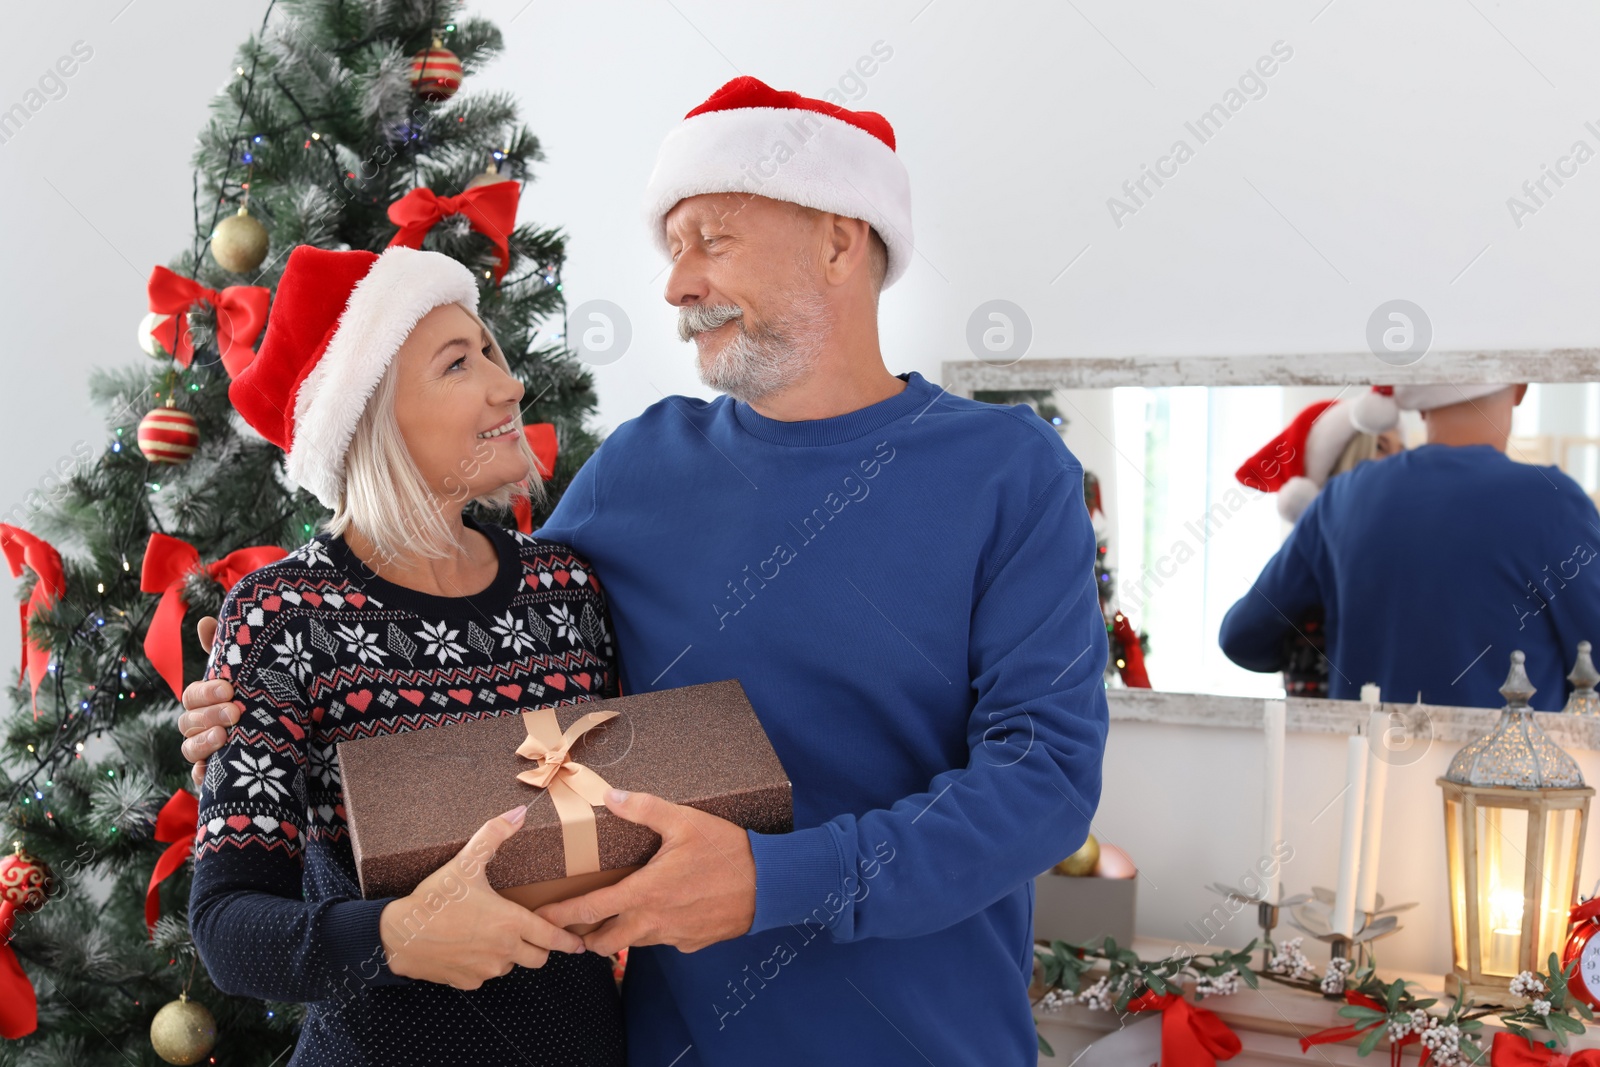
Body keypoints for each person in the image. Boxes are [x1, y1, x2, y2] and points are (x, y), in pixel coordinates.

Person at [179, 76, 1110, 1066]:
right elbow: (463, 656)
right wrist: (249, 703)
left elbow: (1041, 779)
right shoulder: (638, 468)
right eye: (671, 250)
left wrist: (770, 879)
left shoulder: (1008, 472)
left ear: (840, 241)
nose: (675, 284)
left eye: (710, 239)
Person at [186, 244, 626, 1065]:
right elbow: (227, 925)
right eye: (460, 364)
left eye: (492, 351)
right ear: (369, 413)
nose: (509, 385)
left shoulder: (566, 588)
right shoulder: (283, 615)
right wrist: (396, 934)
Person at [1220, 383, 1600, 710]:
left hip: (1359, 779)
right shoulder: (1553, 502)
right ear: (1520, 388)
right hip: (1504, 789)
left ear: (1416, 402)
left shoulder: (1340, 499)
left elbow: (1242, 637)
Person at [1232, 395, 1405, 696]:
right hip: (1314, 729)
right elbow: (1242, 637)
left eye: (1401, 452)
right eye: (1379, 447)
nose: (1393, 462)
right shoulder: (1315, 546)